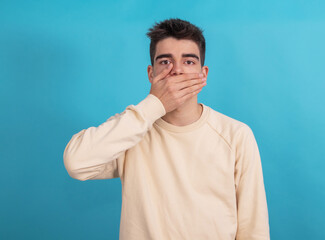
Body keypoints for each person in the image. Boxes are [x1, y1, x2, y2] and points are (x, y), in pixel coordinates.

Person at [63, 18, 270, 240]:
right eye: (165, 62)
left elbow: (253, 229)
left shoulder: (236, 135)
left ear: (204, 74)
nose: (177, 71)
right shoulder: (130, 129)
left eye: (189, 62)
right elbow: (76, 163)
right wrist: (154, 104)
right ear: (151, 74)